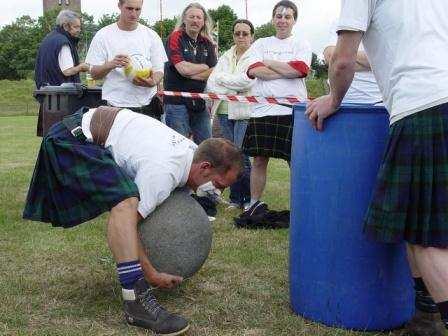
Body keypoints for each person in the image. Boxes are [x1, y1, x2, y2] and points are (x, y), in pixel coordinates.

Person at [23, 105, 243, 335]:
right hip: (70, 140)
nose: (217, 193)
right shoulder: (164, 171)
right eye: (218, 185)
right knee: (125, 203)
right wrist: (151, 274)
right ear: (205, 166)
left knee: (127, 200)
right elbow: (129, 222)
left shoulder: (191, 154)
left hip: (88, 129)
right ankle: (135, 299)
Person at [306, 1, 448, 335]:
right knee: (417, 224)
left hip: (421, 106)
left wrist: (334, 100)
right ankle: (425, 319)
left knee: (430, 239)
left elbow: (342, 60)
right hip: (434, 100)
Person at [242, 0, 311, 217]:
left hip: (292, 110)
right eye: (279, 16)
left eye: (287, 16)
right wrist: (286, 69)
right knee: (259, 160)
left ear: (294, 20)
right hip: (263, 109)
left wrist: (268, 62)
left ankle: (301, 205)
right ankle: (253, 202)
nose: (282, 20)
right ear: (273, 19)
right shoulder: (260, 43)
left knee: (295, 160)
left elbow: (301, 70)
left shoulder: (302, 44)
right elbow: (253, 70)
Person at [86, 0, 166, 120]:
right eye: (129, 8)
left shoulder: (152, 36)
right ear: (119, 6)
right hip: (116, 108)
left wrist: (153, 81)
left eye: (138, 9)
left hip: (148, 106)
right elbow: (94, 74)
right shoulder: (103, 35)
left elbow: (159, 69)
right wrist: (110, 65)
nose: (134, 14)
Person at [206, 19, 256, 209]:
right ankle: (236, 199)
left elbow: (248, 83)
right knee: (230, 157)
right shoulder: (226, 55)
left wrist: (223, 82)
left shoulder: (255, 56)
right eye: (237, 33)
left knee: (242, 155)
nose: (241, 37)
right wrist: (232, 85)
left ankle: (250, 199)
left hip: (244, 112)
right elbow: (212, 83)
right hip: (224, 111)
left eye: (245, 33)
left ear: (252, 35)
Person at [163, 2, 217, 144]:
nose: (195, 20)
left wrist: (189, 73)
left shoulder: (207, 43)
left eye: (199, 17)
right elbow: (182, 69)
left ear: (204, 21)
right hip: (176, 103)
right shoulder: (175, 37)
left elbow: (214, 71)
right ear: (184, 19)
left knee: (206, 146)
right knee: (178, 147)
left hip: (199, 103)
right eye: (191, 16)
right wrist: (204, 66)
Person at [34, 9, 90, 136]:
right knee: (64, 137)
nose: (79, 30)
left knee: (51, 136)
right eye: (76, 27)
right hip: (63, 98)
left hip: (49, 96)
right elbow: (67, 71)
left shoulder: (48, 39)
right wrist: (82, 67)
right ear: (65, 26)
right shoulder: (63, 42)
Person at [323, 20, 382, 104]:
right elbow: (330, 56)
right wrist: (372, 62)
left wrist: (342, 56)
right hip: (338, 104)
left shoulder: (384, 24)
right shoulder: (340, 22)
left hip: (378, 103)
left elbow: (384, 59)